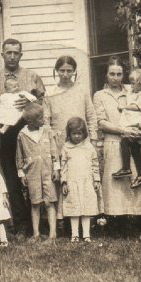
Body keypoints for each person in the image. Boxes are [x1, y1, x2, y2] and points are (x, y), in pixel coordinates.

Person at [0, 38, 46, 234]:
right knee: (11, 176)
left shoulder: (32, 76)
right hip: (6, 133)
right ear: (2, 54)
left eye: (15, 53)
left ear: (21, 54)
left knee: (33, 174)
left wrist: (28, 105)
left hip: (28, 130)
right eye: (8, 52)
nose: (11, 56)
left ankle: (41, 222)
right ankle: (20, 223)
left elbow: (42, 103)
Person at [43, 55, 100, 222]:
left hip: (81, 141)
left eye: (69, 71)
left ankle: (85, 217)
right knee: (62, 177)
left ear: (74, 71)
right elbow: (46, 119)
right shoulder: (50, 93)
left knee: (81, 177)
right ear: (56, 71)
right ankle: (63, 219)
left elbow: (91, 116)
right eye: (62, 71)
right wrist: (51, 140)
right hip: (60, 141)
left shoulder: (82, 91)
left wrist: (93, 139)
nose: (65, 74)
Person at [93, 57, 141, 218]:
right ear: (106, 74)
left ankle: (139, 218)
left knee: (136, 178)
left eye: (119, 74)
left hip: (134, 140)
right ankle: (117, 220)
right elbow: (101, 122)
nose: (115, 78)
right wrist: (123, 130)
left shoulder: (132, 90)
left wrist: (139, 130)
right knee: (116, 184)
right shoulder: (100, 95)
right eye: (112, 74)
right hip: (113, 140)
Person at [16, 103, 60, 243]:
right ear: (30, 121)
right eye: (40, 118)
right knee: (35, 203)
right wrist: (21, 173)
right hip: (32, 173)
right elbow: (19, 155)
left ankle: (52, 234)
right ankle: (36, 234)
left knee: (49, 202)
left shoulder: (47, 131)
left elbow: (54, 150)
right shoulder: (22, 135)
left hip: (48, 171)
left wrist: (56, 168)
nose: (44, 119)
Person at [111, 68, 141, 188]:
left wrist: (124, 107)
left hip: (139, 126)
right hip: (135, 125)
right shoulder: (134, 92)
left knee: (124, 141)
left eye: (133, 83)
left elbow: (137, 107)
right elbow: (125, 88)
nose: (131, 85)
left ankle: (126, 168)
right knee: (134, 149)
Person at [60, 117, 101, 243]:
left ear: (84, 133)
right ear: (69, 134)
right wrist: (64, 182)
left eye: (79, 133)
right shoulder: (66, 147)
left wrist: (96, 180)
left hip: (86, 182)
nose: (77, 136)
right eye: (74, 134)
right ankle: (75, 234)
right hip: (73, 182)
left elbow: (95, 164)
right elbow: (64, 166)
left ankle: (86, 234)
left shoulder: (88, 147)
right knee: (74, 209)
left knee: (86, 209)